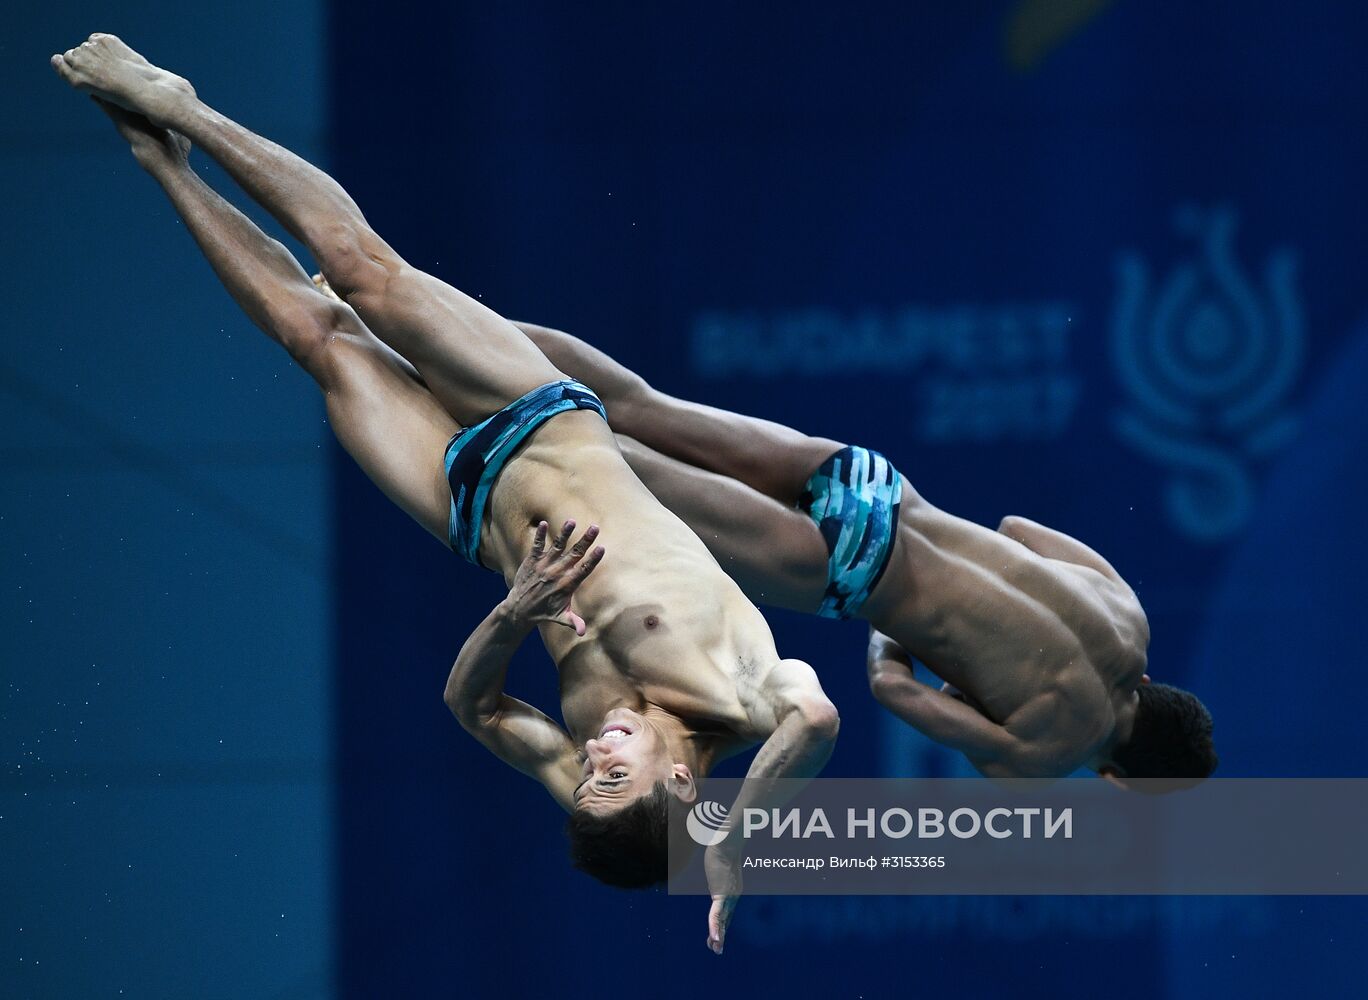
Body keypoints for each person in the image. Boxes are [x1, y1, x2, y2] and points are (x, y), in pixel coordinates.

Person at [51, 33, 839, 952]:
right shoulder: (747, 698)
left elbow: (478, 710)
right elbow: (817, 719)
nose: (595, 756)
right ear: (678, 787)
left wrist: (514, 616)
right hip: (542, 422)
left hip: (467, 509)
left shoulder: (579, 763)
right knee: (360, 274)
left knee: (319, 343)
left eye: (588, 774)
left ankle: (162, 161)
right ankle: (181, 103)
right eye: (612, 773)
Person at [515, 321, 1218, 787]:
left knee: (639, 404)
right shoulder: (1047, 752)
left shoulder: (1126, 613)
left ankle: (453, 321)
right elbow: (893, 688)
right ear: (1121, 779)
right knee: (613, 464)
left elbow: (1015, 527)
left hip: (882, 487)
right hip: (852, 569)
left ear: (1156, 687)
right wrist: (901, 626)